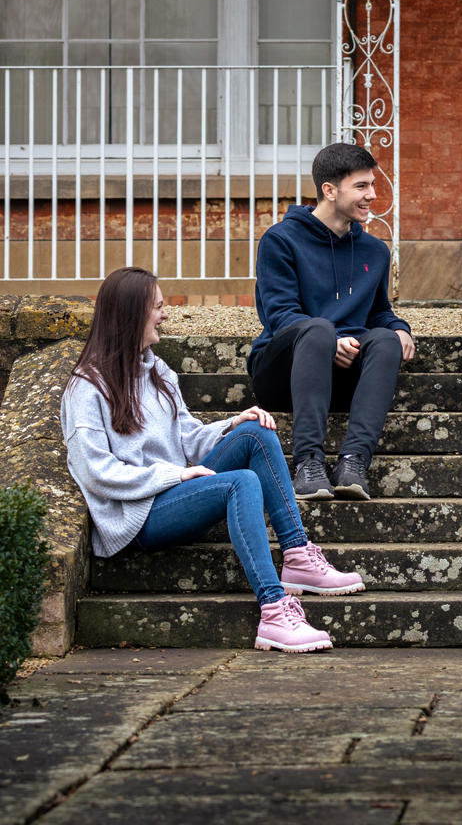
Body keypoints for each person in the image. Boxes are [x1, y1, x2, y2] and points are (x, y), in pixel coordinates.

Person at [61, 267, 365, 654]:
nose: (165, 314)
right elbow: (94, 471)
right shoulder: (86, 387)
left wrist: (231, 424)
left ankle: (298, 554)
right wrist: (176, 475)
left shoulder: (158, 372)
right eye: (157, 307)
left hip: (177, 491)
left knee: (257, 430)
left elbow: (188, 437)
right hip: (138, 515)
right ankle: (274, 610)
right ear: (131, 315)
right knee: (241, 482)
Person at [249, 143, 415, 500]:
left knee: (385, 339)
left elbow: (377, 312)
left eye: (372, 185)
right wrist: (331, 340)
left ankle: (353, 462)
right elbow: (280, 315)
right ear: (329, 190)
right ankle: (308, 463)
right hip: (284, 373)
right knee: (318, 329)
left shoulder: (374, 251)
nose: (372, 195)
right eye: (361, 186)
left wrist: (399, 327)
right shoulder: (280, 241)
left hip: (341, 376)